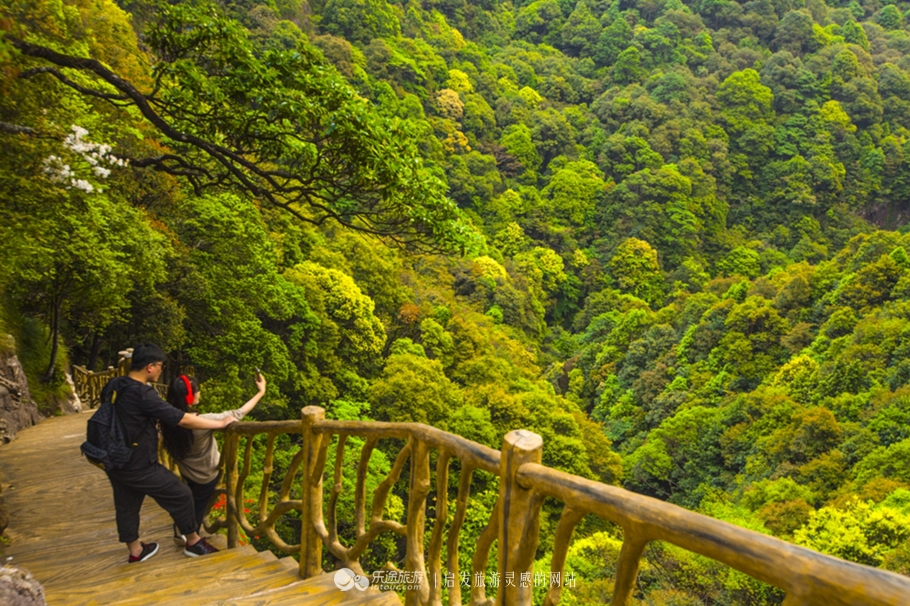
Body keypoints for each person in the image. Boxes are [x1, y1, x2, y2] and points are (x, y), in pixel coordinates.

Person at [102, 343, 238, 563]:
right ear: (150, 367)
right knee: (181, 494)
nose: (161, 371)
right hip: (137, 462)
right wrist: (221, 423)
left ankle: (136, 551)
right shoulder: (143, 394)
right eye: (160, 366)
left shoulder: (116, 384)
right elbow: (181, 418)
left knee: (127, 504)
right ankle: (193, 542)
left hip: (113, 458)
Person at [161, 370, 267, 545]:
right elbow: (238, 413)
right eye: (197, 391)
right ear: (189, 397)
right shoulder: (202, 421)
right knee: (198, 507)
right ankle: (189, 538)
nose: (200, 393)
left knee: (192, 500)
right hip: (206, 474)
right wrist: (261, 392)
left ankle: (181, 530)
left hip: (186, 471)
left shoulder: (166, 420)